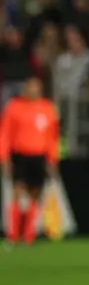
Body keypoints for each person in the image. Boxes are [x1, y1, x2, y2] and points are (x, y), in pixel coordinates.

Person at [0, 77, 60, 246]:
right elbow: (5, 134)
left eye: (37, 88)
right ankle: (12, 234)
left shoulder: (48, 109)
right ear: (25, 89)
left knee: (35, 194)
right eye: (31, 87)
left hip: (39, 156)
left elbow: (52, 138)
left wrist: (52, 159)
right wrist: (4, 158)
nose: (33, 91)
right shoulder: (14, 107)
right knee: (18, 192)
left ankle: (28, 234)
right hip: (20, 155)